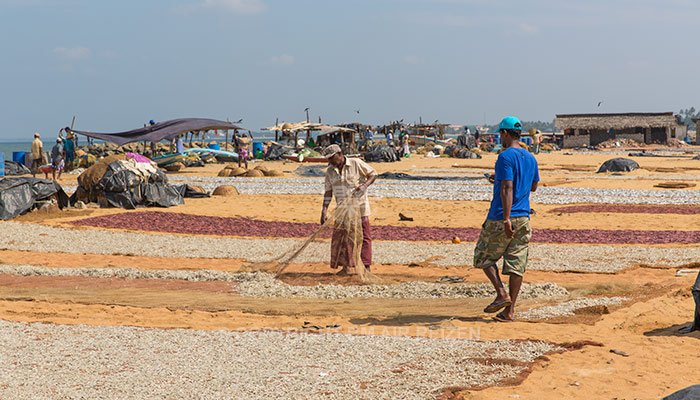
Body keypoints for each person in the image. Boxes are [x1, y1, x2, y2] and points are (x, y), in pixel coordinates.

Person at [474, 116, 539, 322]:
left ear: (504, 133)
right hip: (524, 217)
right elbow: (533, 186)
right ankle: (509, 311)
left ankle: (501, 294)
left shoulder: (505, 156)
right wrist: (499, 179)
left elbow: (507, 188)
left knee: (482, 257)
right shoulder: (530, 157)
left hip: (503, 216)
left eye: (499, 134)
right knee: (516, 264)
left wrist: (505, 219)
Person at [321, 144, 378, 275]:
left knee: (363, 237)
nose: (330, 161)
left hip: (359, 208)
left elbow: (373, 174)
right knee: (342, 239)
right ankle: (346, 267)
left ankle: (366, 267)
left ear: (339, 154)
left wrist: (365, 185)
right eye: (328, 159)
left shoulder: (356, 163)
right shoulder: (330, 171)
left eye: (332, 158)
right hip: (342, 210)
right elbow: (328, 192)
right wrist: (324, 210)